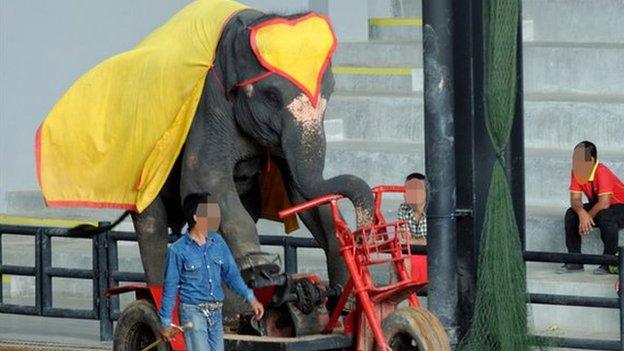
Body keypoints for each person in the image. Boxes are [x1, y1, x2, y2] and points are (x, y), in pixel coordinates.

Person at [159, 193, 264, 350]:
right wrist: (166, 323)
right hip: (193, 312)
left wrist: (251, 298)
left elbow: (232, 275)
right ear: (196, 217)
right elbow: (170, 287)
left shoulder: (218, 243)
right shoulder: (177, 250)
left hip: (216, 311)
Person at [558, 141, 624, 275]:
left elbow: (604, 203)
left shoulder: (601, 171)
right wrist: (582, 213)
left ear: (591, 160)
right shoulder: (577, 171)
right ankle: (575, 260)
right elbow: (575, 200)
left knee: (606, 216)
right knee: (571, 214)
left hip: (619, 206)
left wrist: (587, 217)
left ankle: (609, 262)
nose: (575, 163)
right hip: (601, 206)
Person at [398, 173, 428, 284]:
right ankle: (402, 296)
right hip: (413, 253)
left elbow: (436, 242)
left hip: (432, 255)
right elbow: (404, 240)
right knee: (398, 258)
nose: (407, 194)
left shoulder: (434, 210)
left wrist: (412, 241)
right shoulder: (403, 209)